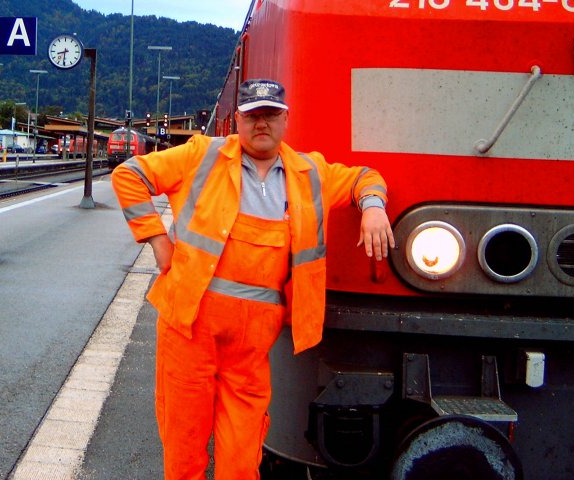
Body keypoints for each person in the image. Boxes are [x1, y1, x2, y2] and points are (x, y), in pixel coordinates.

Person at [111, 78, 394, 480]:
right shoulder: (202, 156)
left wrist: (373, 207)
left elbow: (365, 176)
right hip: (189, 329)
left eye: (271, 115)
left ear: (286, 119)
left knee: (242, 460)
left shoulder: (309, 174)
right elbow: (130, 174)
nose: (262, 123)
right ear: (237, 121)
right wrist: (156, 239)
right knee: (184, 448)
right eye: (252, 115)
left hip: (252, 345)